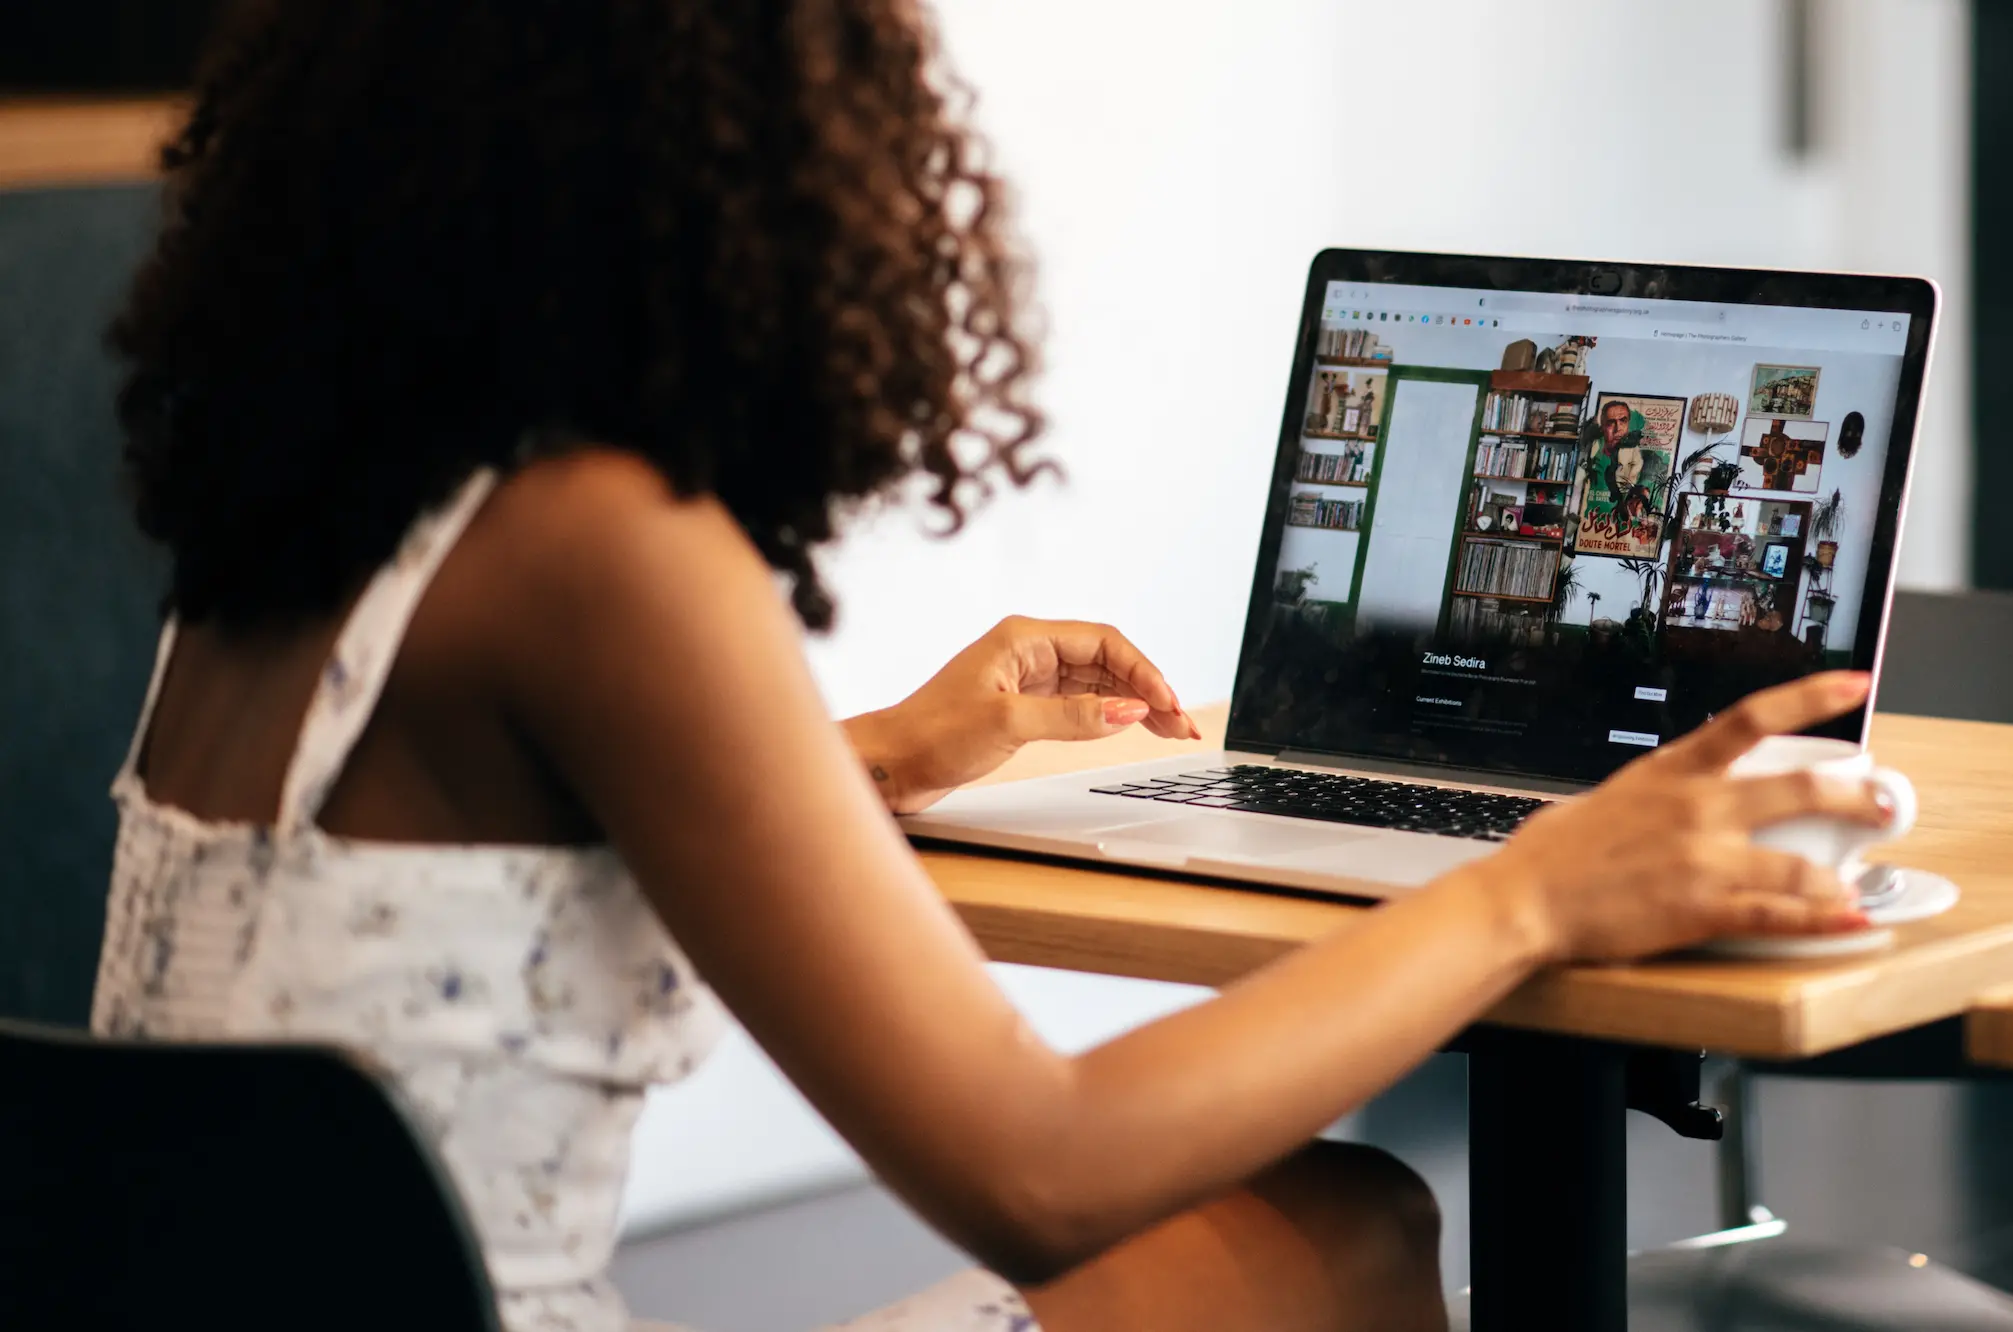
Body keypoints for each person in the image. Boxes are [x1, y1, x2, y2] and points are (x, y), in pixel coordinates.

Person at [91, 3, 1886, 1330]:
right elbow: (1036, 1170)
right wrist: (1531, 896)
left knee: (1334, 1220)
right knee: (1346, 1240)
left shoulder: (302, 521)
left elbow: (460, 879)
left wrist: (859, 752)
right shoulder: (604, 544)